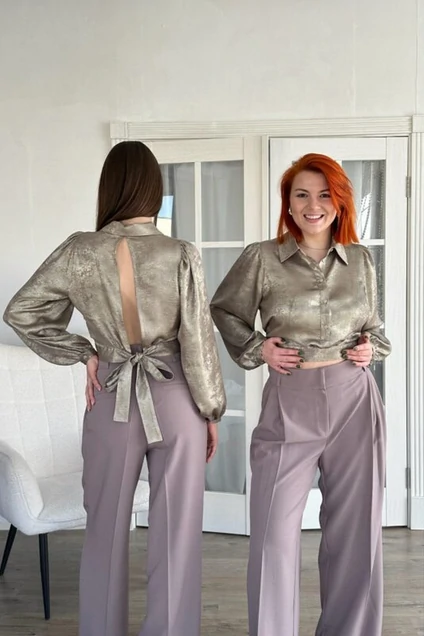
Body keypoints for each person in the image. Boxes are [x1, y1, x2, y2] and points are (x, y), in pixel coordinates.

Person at [4, 140, 226, 636]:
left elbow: (21, 311)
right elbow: (198, 340)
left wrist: (85, 352)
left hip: (111, 394)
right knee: (177, 534)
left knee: (104, 529)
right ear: (154, 188)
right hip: (177, 397)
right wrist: (211, 410)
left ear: (110, 188)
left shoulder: (80, 250)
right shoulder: (180, 253)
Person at [210, 153, 390, 636]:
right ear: (288, 203)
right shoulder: (262, 258)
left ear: (340, 201)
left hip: (355, 399)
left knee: (356, 532)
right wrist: (259, 348)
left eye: (325, 194)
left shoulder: (361, 260)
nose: (314, 205)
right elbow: (224, 310)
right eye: (302, 195)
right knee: (273, 533)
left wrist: (371, 347)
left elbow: (375, 329)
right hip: (291, 398)